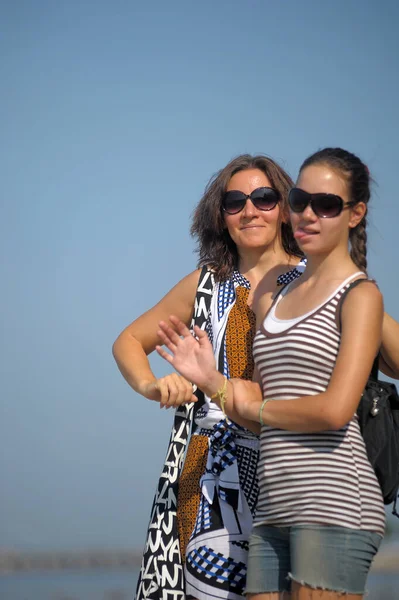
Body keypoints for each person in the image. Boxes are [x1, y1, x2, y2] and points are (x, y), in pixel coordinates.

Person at [155, 147, 399, 599]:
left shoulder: (359, 294)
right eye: (301, 201)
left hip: (333, 498)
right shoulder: (271, 293)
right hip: (273, 503)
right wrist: (210, 381)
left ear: (354, 213)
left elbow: (332, 410)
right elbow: (254, 401)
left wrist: (256, 406)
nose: (308, 213)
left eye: (325, 205)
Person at [113, 153, 306, 600]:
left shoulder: (312, 279)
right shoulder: (206, 284)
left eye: (263, 197)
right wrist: (154, 386)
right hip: (210, 475)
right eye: (235, 202)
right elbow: (127, 341)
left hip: (295, 463)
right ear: (220, 217)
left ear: (284, 208)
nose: (250, 210)